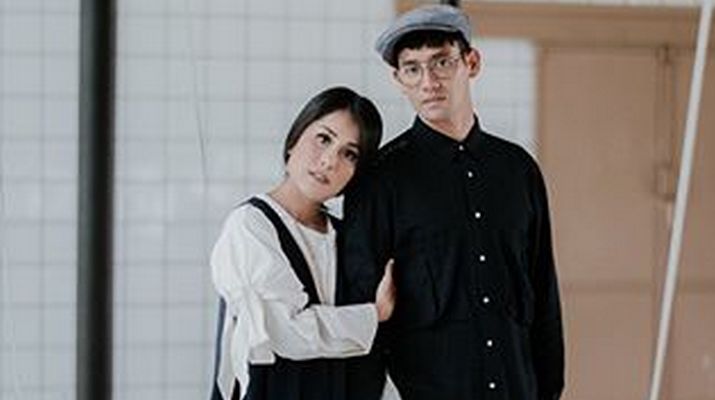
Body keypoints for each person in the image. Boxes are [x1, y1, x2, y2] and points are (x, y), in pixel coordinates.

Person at [339, 5, 565, 400]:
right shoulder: (379, 182)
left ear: (471, 63)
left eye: (442, 62)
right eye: (413, 69)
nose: (429, 82)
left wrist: (548, 390)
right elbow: (361, 309)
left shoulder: (518, 170)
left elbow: (543, 291)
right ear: (398, 79)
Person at [209, 86, 395, 400]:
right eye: (324, 138)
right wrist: (373, 315)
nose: (329, 161)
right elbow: (287, 329)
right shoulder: (251, 226)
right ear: (294, 140)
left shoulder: (348, 237)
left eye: (349, 154)